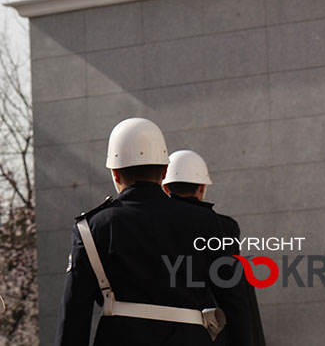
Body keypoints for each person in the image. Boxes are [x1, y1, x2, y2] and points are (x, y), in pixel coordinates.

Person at [55, 118, 252, 346]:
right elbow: (235, 304)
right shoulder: (206, 222)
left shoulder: (92, 227)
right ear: (165, 170)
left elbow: (75, 314)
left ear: (115, 174)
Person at [163, 150, 266, 346]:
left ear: (166, 188)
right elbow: (234, 296)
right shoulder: (223, 227)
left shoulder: (151, 225)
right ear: (202, 188)